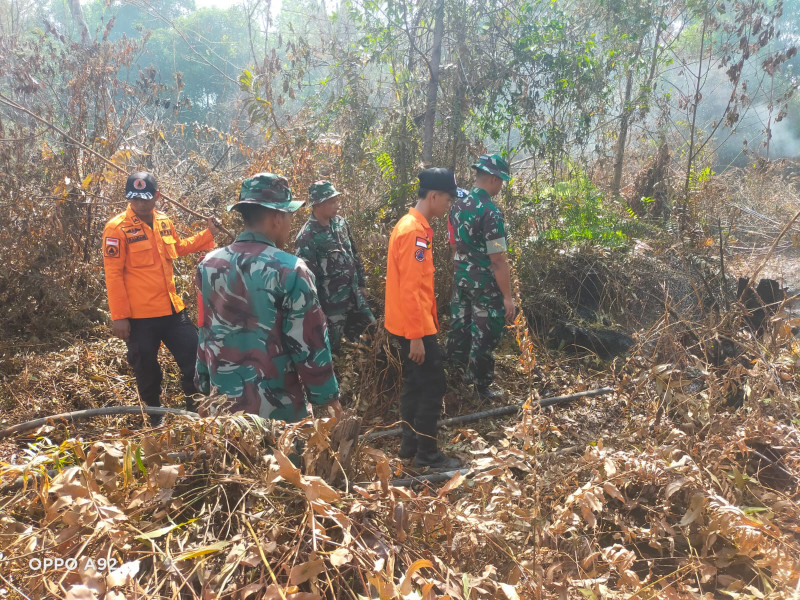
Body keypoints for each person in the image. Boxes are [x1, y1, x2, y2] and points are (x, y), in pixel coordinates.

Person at [195, 173, 342, 422]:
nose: (289, 224)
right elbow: (311, 346)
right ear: (276, 216)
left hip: (223, 413)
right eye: (289, 216)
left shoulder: (208, 265)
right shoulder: (291, 270)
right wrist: (328, 400)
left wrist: (202, 385)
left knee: (234, 462)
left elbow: (205, 332)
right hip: (277, 414)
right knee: (280, 463)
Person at [102, 171, 219, 426]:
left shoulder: (164, 221)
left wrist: (207, 234)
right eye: (134, 199)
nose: (140, 204)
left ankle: (195, 412)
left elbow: (176, 247)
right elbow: (113, 274)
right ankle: (155, 416)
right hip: (139, 316)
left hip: (171, 310)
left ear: (157, 196)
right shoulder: (116, 228)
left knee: (194, 359)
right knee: (146, 368)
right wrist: (119, 317)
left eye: (145, 198)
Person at [385, 168, 465, 470]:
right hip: (413, 327)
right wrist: (418, 335)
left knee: (414, 384)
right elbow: (411, 287)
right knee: (432, 385)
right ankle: (427, 455)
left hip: (408, 323)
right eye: (446, 199)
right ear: (433, 196)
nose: (448, 206)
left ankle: (410, 443)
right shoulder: (414, 232)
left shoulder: (413, 226)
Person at [446, 154, 516, 401]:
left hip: (461, 278)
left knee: (460, 328)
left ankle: (454, 379)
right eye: (501, 182)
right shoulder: (491, 213)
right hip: (484, 284)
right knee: (484, 332)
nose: (500, 187)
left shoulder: (456, 205)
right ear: (494, 179)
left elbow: (453, 244)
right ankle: (480, 387)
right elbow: (498, 260)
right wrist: (507, 297)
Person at [295, 180, 375, 352]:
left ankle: (366, 372)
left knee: (372, 333)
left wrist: (362, 284)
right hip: (331, 306)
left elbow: (355, 254)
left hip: (355, 295)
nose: (337, 205)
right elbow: (307, 280)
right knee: (335, 349)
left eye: (336, 200)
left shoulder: (341, 223)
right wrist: (316, 311)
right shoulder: (307, 237)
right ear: (318, 204)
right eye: (332, 202)